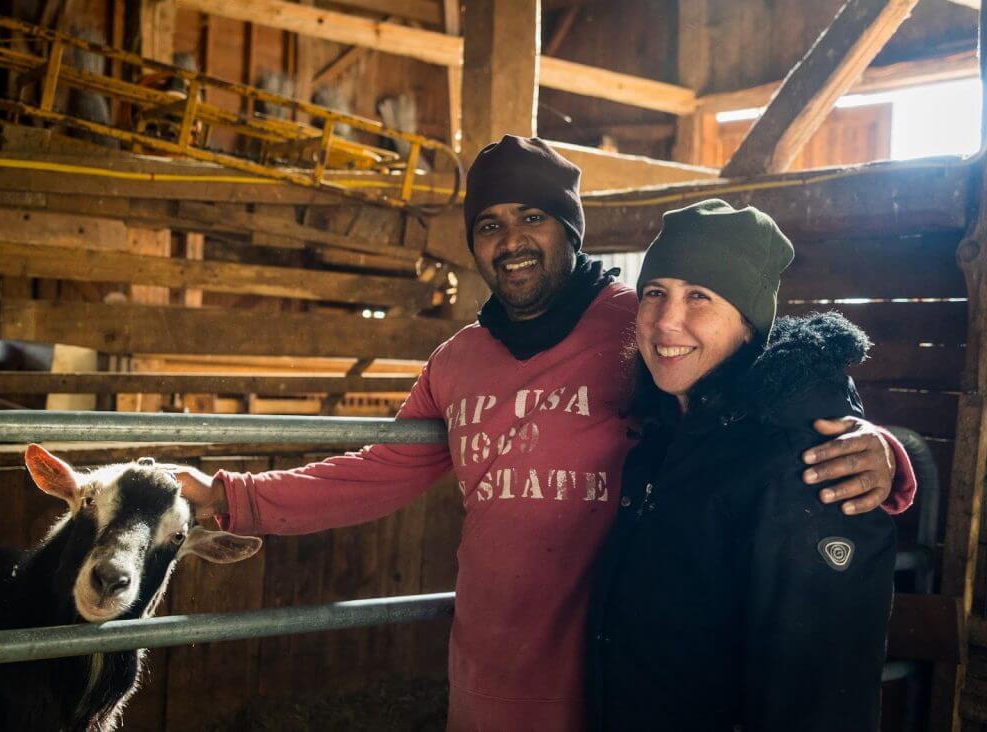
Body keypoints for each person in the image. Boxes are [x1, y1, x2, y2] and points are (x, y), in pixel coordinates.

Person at [174, 137, 914, 731]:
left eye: (533, 217)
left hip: (604, 686)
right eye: (489, 225)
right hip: (484, 678)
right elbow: (379, 470)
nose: (511, 240)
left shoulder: (639, 327)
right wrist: (233, 498)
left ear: (570, 229)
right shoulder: (458, 361)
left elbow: (762, 364)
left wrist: (880, 446)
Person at [586, 199, 897, 731]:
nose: (666, 321)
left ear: (750, 325)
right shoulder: (661, 435)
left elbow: (818, 696)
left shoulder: (810, 463)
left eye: (700, 296)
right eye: (655, 292)